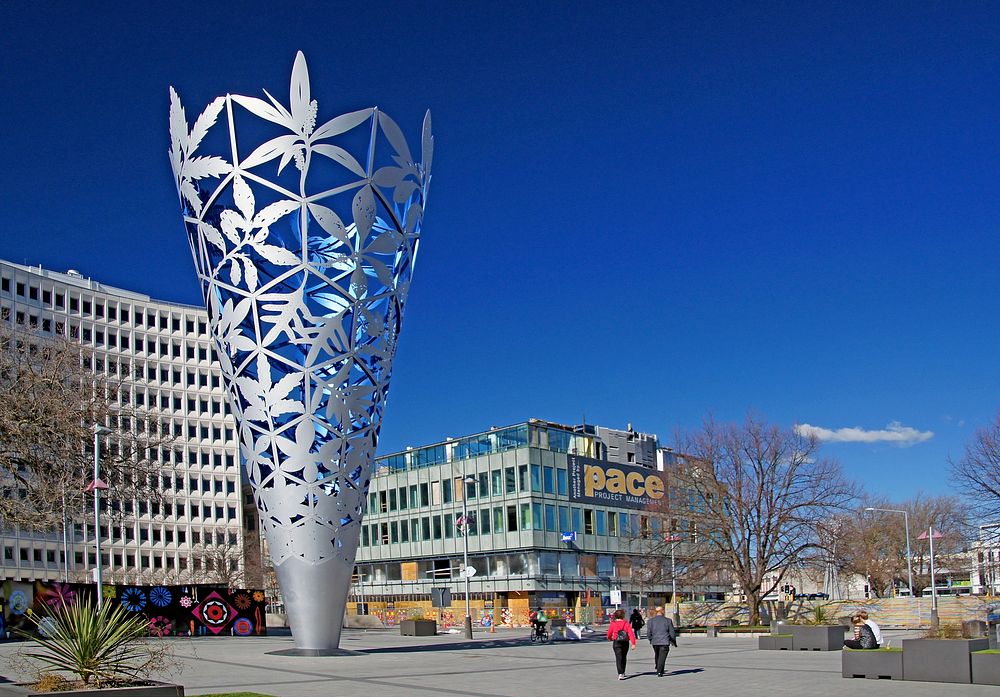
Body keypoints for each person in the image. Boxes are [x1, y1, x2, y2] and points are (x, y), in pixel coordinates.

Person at [646, 606, 677, 677]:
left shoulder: (650, 621)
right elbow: (672, 633)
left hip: (655, 641)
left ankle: (659, 667)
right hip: (664, 641)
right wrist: (673, 641)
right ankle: (659, 671)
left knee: (657, 655)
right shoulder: (668, 620)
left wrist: (651, 639)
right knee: (662, 657)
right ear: (662, 611)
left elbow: (649, 633)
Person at [606, 608, 637, 680]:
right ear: (623, 615)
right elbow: (631, 633)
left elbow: (609, 633)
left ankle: (620, 673)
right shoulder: (626, 623)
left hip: (616, 642)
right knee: (623, 657)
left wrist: (610, 638)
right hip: (625, 642)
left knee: (618, 657)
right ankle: (623, 671)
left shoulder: (613, 623)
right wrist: (633, 643)